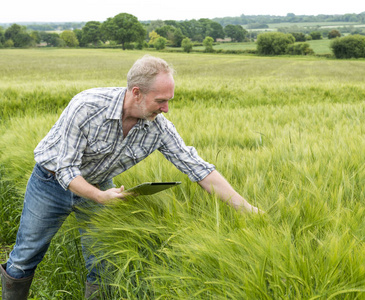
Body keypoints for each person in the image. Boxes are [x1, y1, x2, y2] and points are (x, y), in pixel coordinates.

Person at [0, 55, 261, 299]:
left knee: (104, 264)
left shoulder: (158, 128)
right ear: (136, 92)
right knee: (25, 257)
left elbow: (198, 168)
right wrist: (101, 197)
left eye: (169, 100)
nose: (167, 108)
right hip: (51, 183)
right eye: (161, 100)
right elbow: (67, 170)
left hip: (101, 186)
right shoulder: (87, 106)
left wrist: (246, 208)